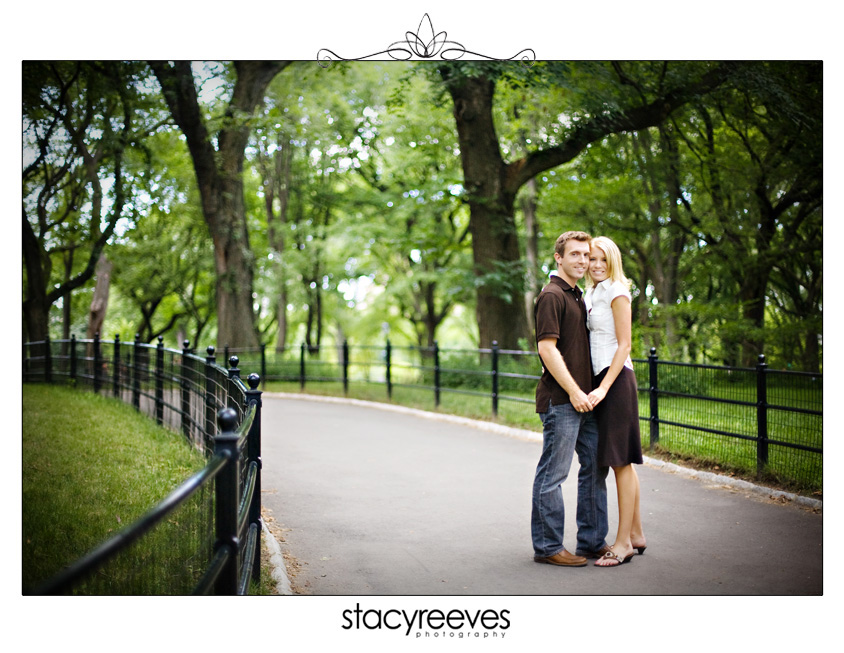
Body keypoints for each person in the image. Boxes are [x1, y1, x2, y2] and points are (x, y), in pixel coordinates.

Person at [532, 230, 609, 567]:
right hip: (562, 401)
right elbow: (546, 348)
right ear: (559, 258)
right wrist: (574, 391)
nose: (583, 261)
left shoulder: (578, 295)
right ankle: (548, 547)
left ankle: (591, 541)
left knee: (594, 466)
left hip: (586, 401)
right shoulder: (552, 295)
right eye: (575, 254)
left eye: (586, 255)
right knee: (554, 475)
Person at [584, 236, 646, 568]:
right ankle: (636, 533)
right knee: (623, 461)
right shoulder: (593, 292)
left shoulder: (617, 291)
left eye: (602, 260)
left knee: (620, 461)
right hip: (602, 380)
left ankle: (623, 544)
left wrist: (604, 388)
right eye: (591, 259)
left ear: (613, 261)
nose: (595, 265)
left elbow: (624, 345)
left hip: (616, 379)